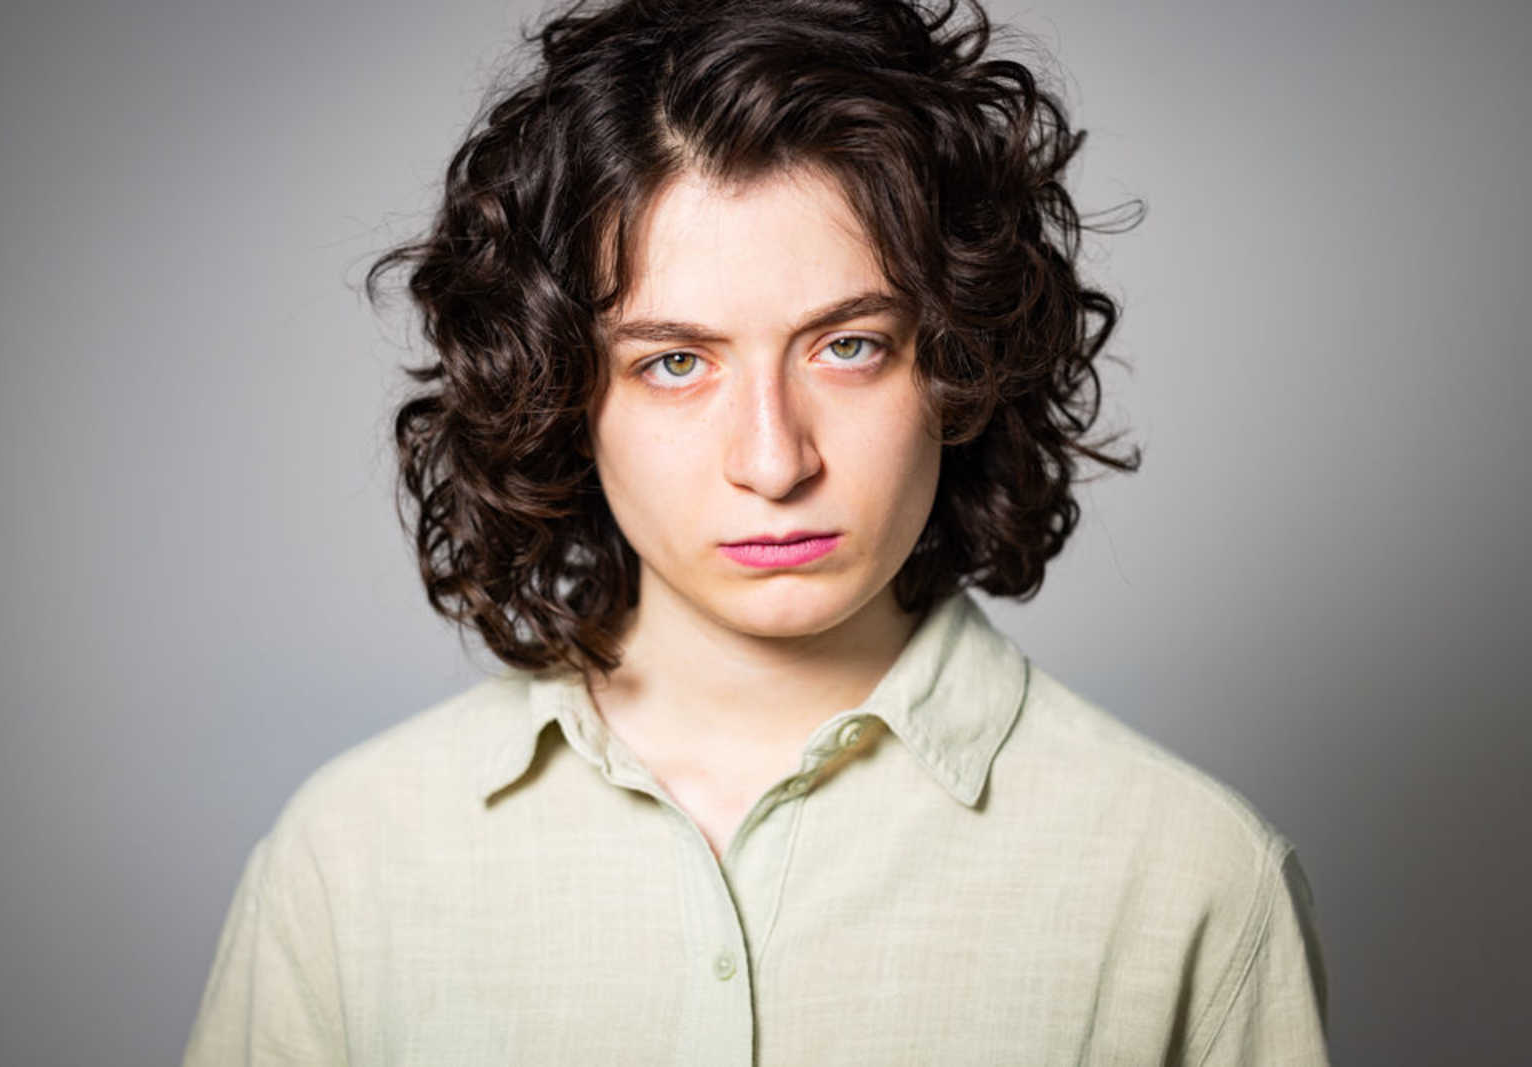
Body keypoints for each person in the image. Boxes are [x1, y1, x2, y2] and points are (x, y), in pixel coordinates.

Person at [183, 0, 1331, 1062]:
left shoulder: (1186, 876)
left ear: (959, 360)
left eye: (849, 345)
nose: (775, 461)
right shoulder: (351, 860)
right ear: (560, 393)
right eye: (675, 362)